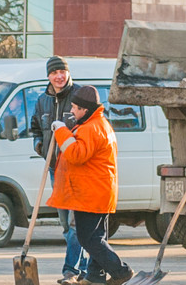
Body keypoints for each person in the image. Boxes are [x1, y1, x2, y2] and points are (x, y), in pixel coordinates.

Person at [47, 86, 133, 285]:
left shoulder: (90, 128)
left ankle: (121, 271)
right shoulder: (100, 124)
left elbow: (76, 154)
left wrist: (61, 131)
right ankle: (95, 276)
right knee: (97, 237)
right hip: (99, 191)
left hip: (90, 193)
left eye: (75, 108)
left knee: (88, 239)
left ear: (85, 109)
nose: (73, 111)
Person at [31, 56, 88, 284]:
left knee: (76, 223)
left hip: (76, 168)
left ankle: (70, 270)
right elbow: (35, 127)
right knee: (66, 224)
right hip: (56, 169)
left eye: (62, 71)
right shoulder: (42, 100)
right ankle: (84, 267)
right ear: (49, 76)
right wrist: (39, 145)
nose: (59, 76)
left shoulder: (80, 95)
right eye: (55, 73)